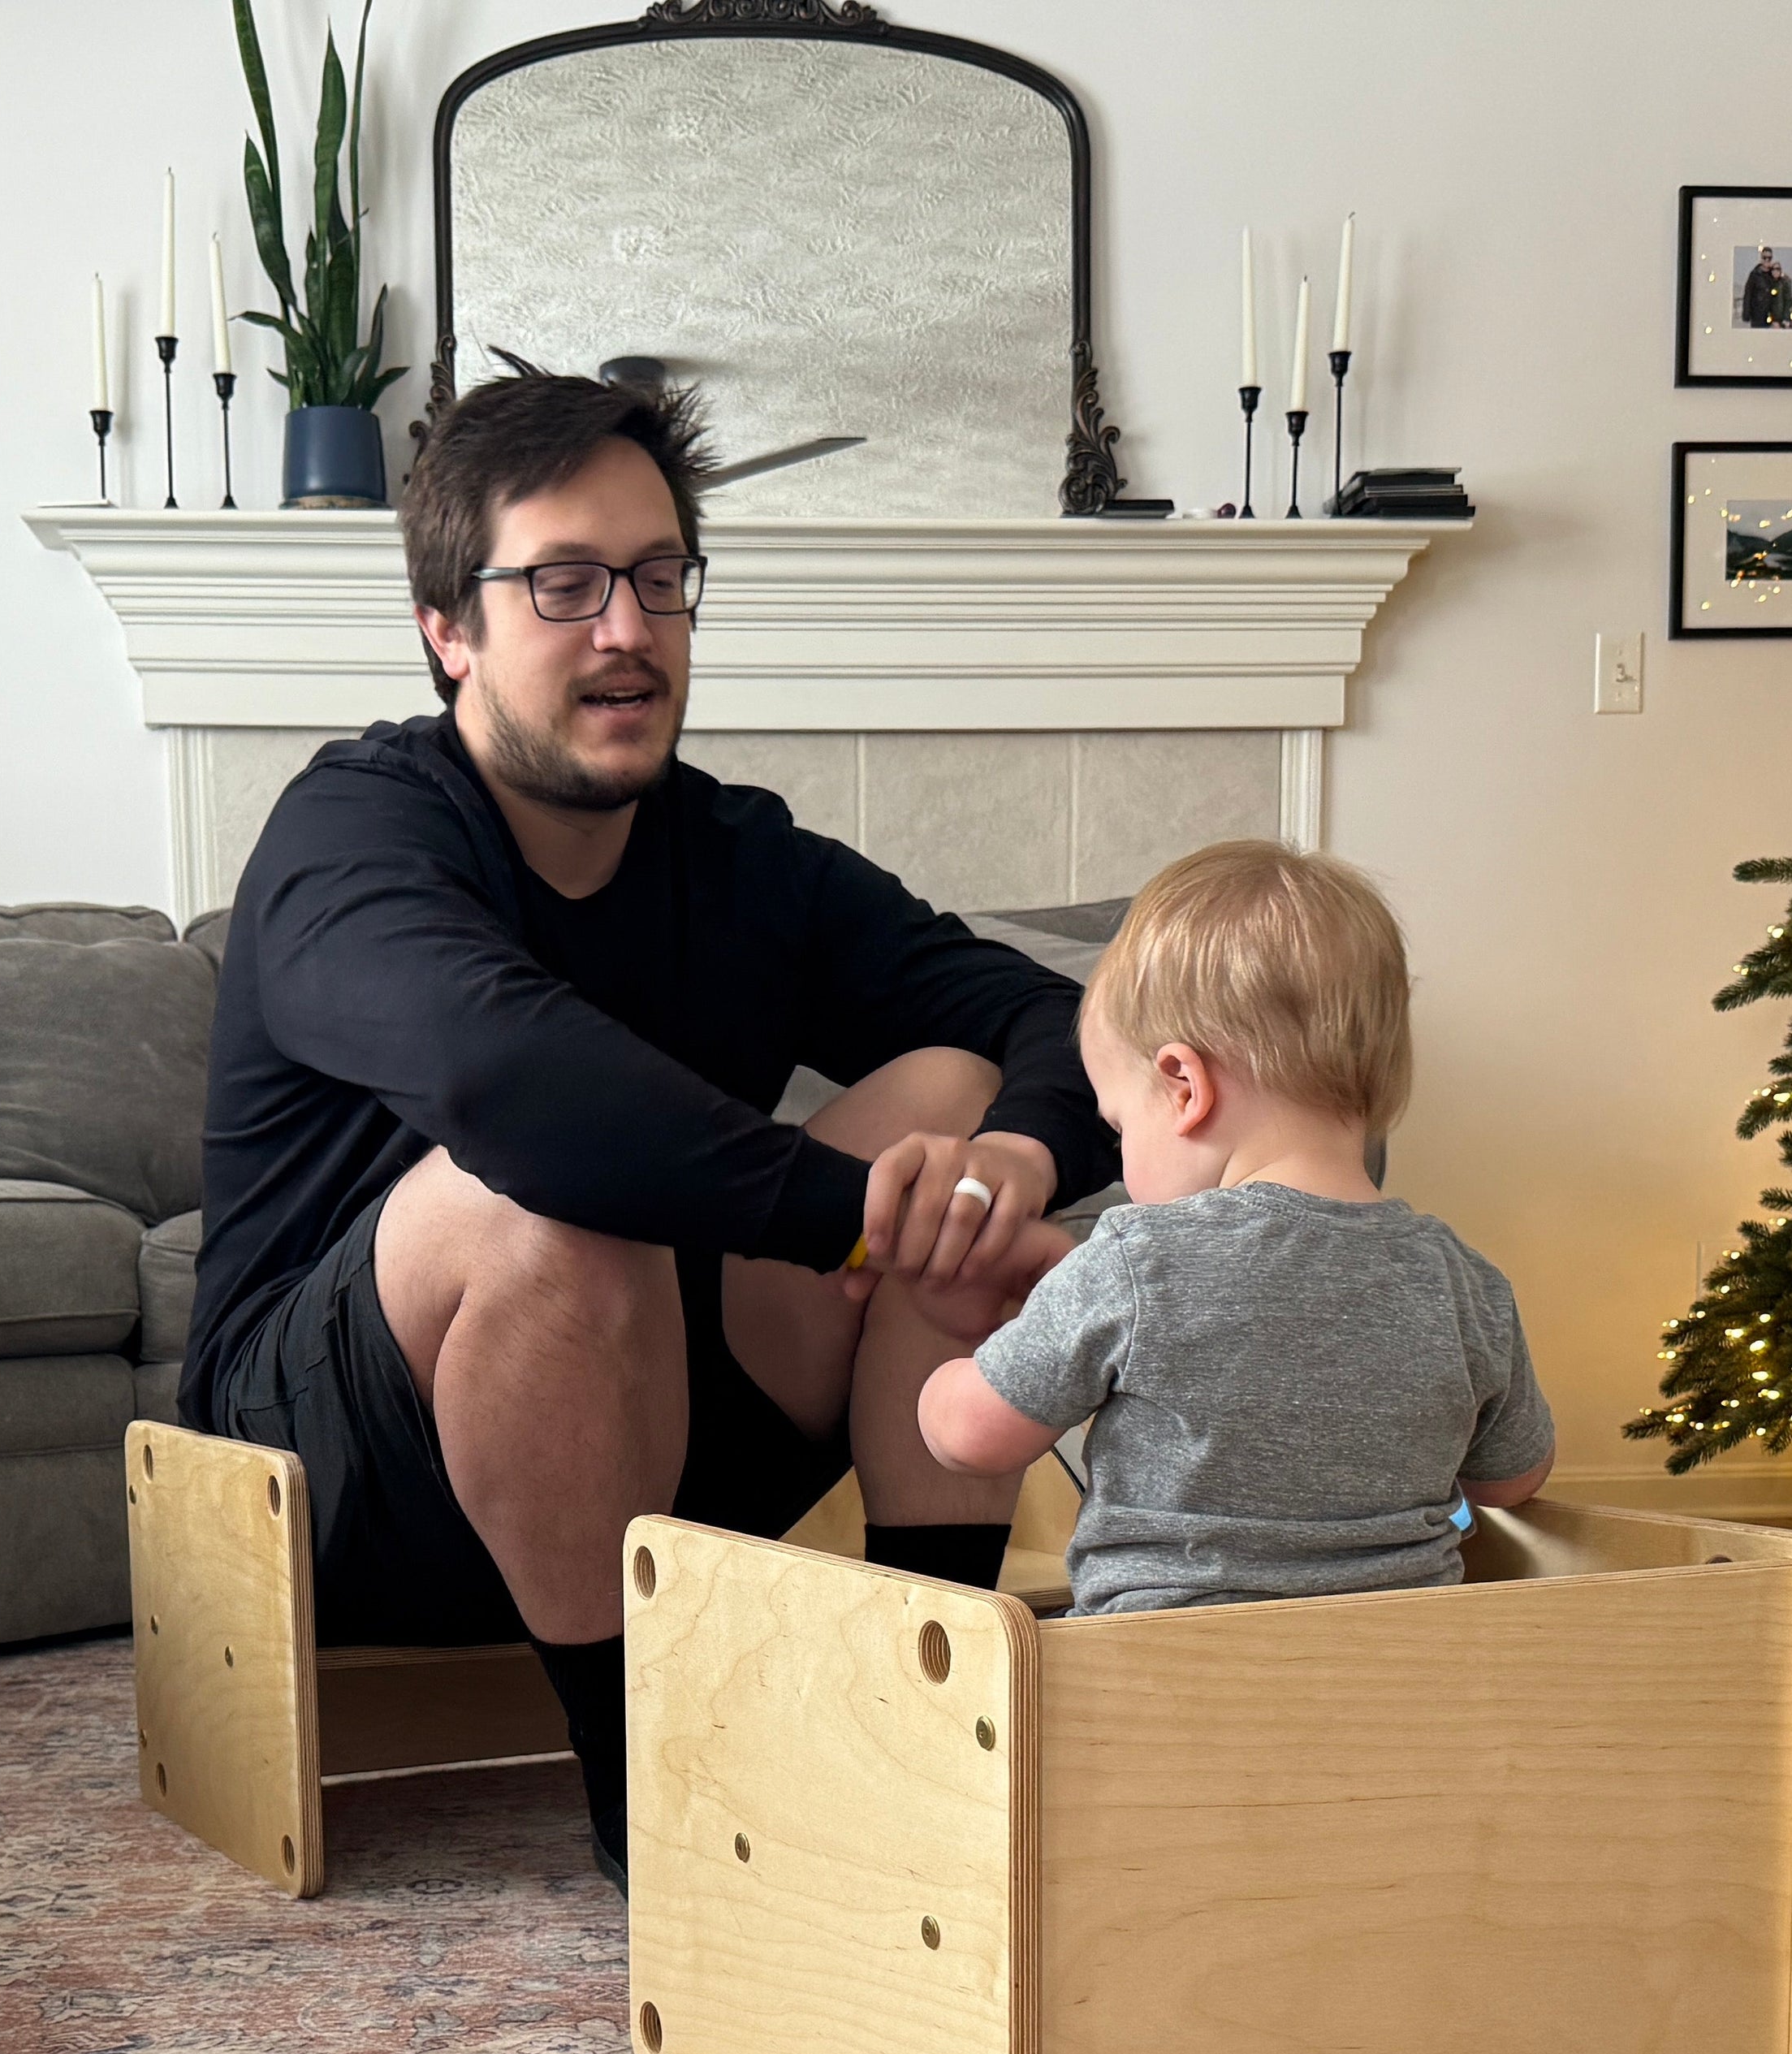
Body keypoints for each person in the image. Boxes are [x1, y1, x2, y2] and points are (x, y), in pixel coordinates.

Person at [181, 367, 1116, 1885]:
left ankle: (921, 1723)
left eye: (659, 577)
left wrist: (1007, 1167)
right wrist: (857, 1222)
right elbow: (511, 1089)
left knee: (949, 1105)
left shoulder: (736, 853)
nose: (626, 629)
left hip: (660, 1417)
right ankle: (656, 1813)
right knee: (552, 1196)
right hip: (335, 1478)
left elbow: (1052, 1022)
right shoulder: (350, 838)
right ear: (447, 630)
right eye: (562, 584)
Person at [917, 841, 1555, 1616]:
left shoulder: (1134, 1260)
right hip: (1398, 1682)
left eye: (1119, 1125)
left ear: (1184, 1086)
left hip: (1163, 1678)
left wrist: (948, 1370)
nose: (1121, 1154)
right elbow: (1512, 1480)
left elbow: (972, 1441)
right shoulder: (1466, 1283)